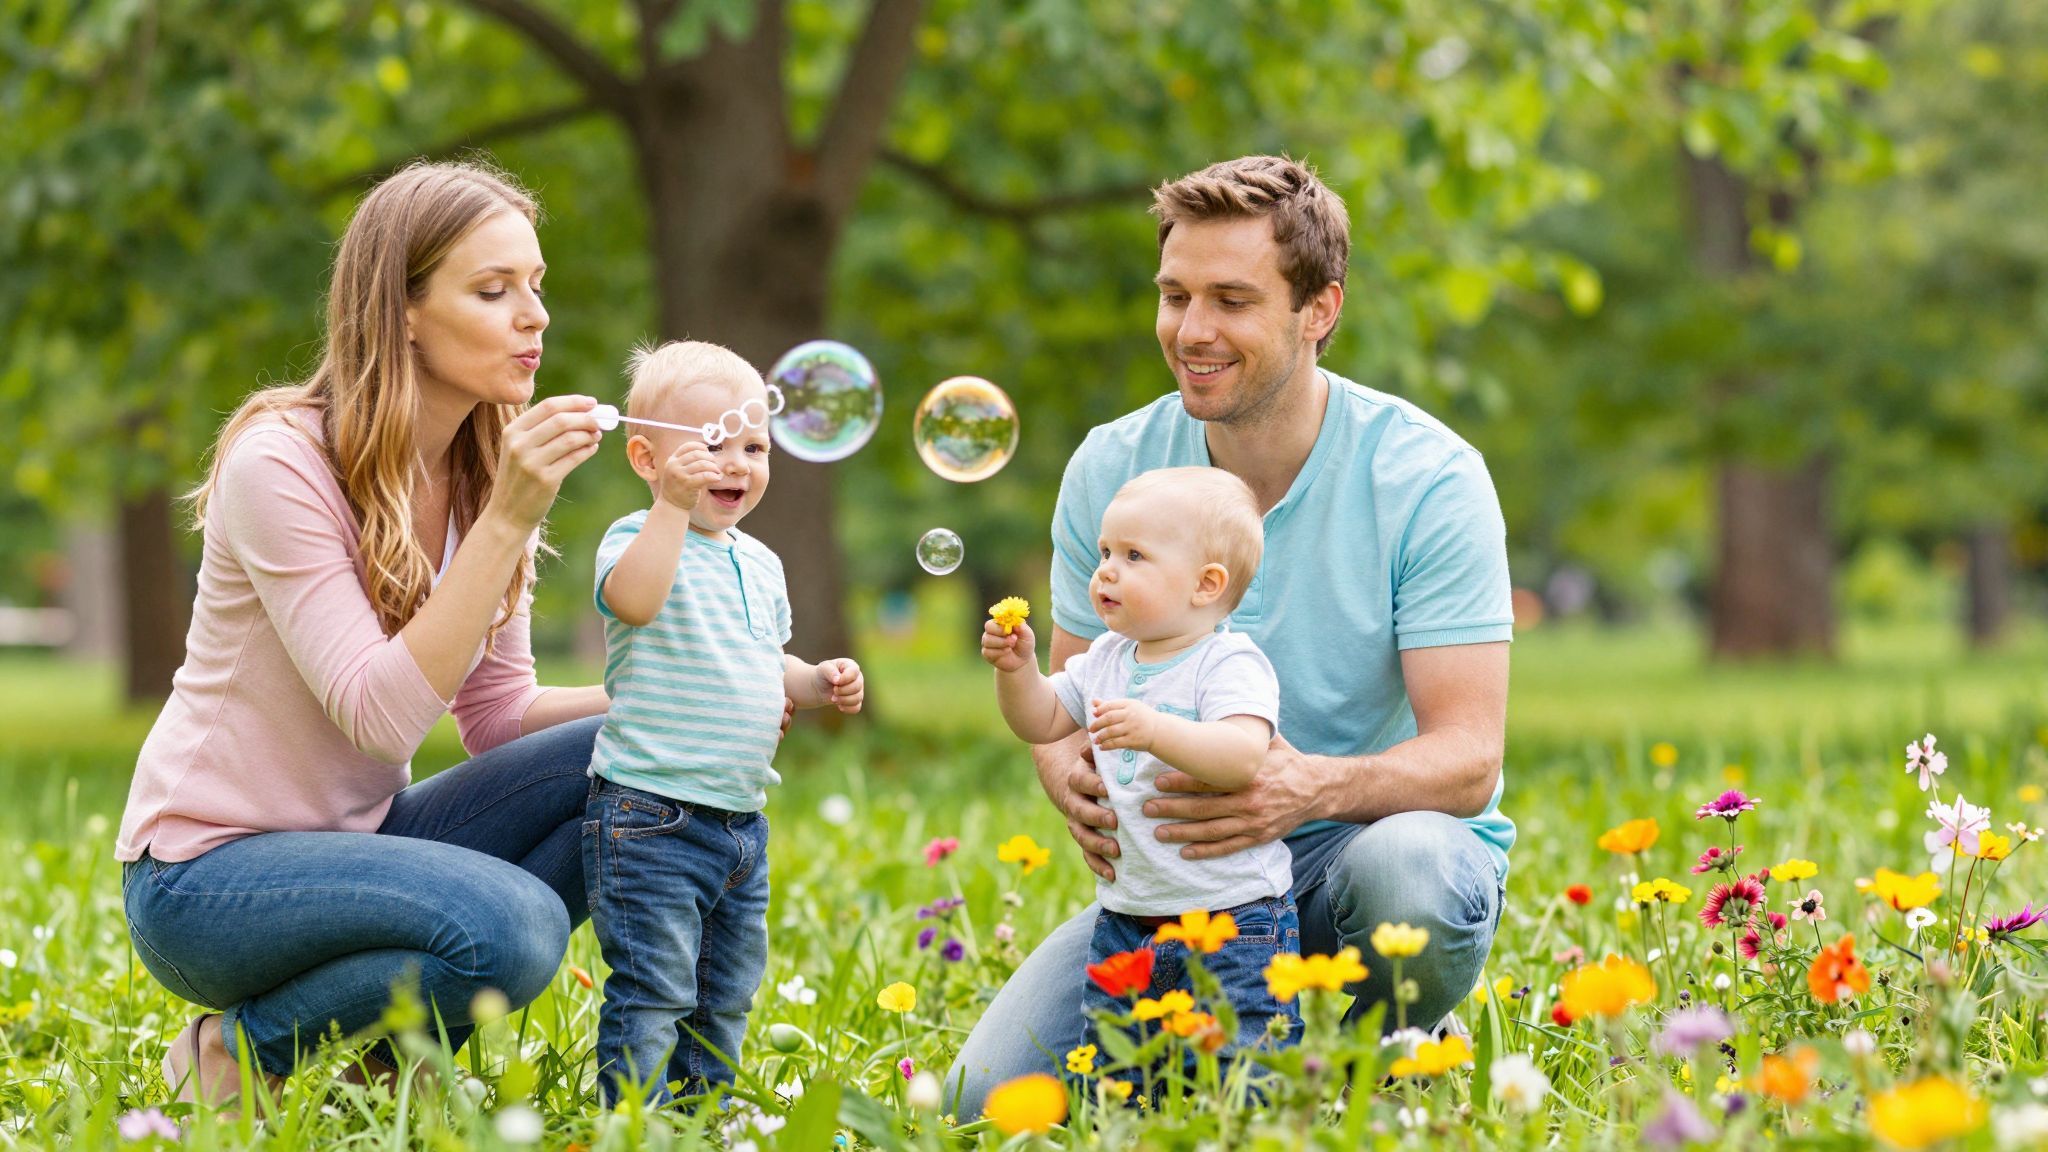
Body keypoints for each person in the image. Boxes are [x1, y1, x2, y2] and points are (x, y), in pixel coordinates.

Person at [948, 155, 1515, 1114]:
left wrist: (1304, 790)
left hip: (1357, 851)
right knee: (980, 1105)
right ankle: (1269, 1046)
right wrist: (1073, 782)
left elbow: (1469, 759)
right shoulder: (1114, 469)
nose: (1192, 330)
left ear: (1319, 309)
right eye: (1174, 295)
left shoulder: (1427, 478)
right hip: (1179, 891)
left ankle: (1386, 1031)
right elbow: (1069, 701)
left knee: (1414, 875)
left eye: (1231, 299)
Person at [117, 160, 617, 1107]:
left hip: (367, 841)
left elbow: (500, 716)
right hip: (205, 880)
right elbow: (380, 721)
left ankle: (378, 1060)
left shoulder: (481, 471)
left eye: (536, 287)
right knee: (514, 930)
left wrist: (682, 694)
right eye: (493, 289)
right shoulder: (280, 462)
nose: (535, 316)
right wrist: (509, 519)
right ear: (404, 312)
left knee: (633, 759)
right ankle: (242, 1047)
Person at [585, 341, 864, 1107]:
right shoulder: (635, 537)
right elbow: (634, 603)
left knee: (727, 990)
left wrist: (816, 680)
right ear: (645, 457)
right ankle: (632, 1125)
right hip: (649, 815)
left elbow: (765, 660)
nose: (735, 463)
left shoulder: (762, 562)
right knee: (654, 991)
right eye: (710, 445)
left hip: (742, 823)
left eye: (753, 445)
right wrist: (671, 510)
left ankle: (703, 1116)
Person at [981, 467, 1298, 1071]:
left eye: (1134, 555)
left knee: (1241, 1066)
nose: (1106, 569)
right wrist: (1016, 671)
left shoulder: (1228, 662)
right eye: (1105, 551)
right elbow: (1041, 721)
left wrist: (1155, 730)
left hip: (1235, 921)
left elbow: (1241, 756)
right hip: (1128, 919)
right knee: (1115, 1066)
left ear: (1206, 585)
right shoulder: (1106, 658)